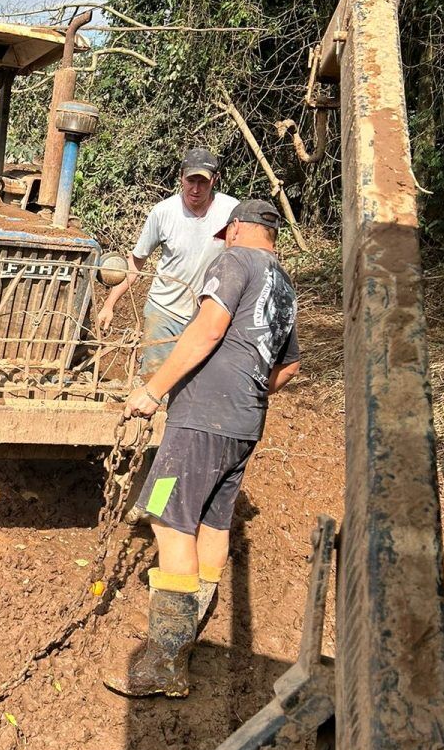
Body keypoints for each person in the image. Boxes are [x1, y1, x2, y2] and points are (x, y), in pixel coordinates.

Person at [103, 199, 301, 699]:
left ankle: (165, 660)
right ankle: (192, 622)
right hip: (243, 422)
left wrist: (152, 391)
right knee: (213, 520)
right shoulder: (284, 285)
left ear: (235, 229)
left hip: (200, 421)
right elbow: (289, 367)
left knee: (168, 519)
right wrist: (246, 386)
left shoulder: (233, 261)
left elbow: (208, 328)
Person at [97, 148, 237, 375]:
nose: (195, 189)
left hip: (208, 314)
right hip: (164, 312)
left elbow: (243, 257)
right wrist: (109, 304)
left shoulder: (230, 211)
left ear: (215, 180)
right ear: (181, 177)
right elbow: (136, 262)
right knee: (154, 379)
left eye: (203, 182)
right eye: (190, 180)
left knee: (200, 382)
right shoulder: (163, 213)